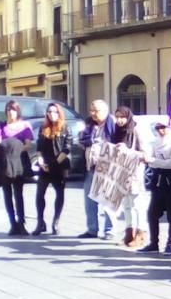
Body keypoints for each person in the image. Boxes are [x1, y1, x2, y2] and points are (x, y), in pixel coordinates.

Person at [139, 121, 171, 255]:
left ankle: (170, 244)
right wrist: (156, 162)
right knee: (152, 213)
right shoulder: (154, 142)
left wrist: (154, 161)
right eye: (158, 128)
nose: (160, 130)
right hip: (159, 180)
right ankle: (154, 243)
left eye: (163, 127)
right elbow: (150, 160)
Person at [0, 100, 34, 235]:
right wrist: (0, 148)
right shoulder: (0, 127)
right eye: (9, 110)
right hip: (4, 164)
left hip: (18, 162)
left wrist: (15, 149)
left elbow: (28, 145)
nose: (11, 112)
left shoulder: (25, 126)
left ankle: (21, 223)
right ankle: (12, 223)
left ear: (18, 111)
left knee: (18, 193)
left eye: (13, 110)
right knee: (7, 194)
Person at [111, 106, 148, 248]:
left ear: (128, 117)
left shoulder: (136, 130)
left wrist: (128, 151)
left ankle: (141, 233)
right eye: (117, 117)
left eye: (122, 117)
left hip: (134, 172)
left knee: (136, 204)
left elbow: (145, 154)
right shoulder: (116, 131)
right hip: (120, 171)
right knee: (126, 204)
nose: (120, 120)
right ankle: (128, 232)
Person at [78, 99, 116, 239]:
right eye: (91, 110)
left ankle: (109, 230)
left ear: (105, 111)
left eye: (96, 111)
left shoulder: (113, 125)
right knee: (89, 200)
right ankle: (92, 229)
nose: (93, 113)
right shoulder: (89, 125)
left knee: (107, 200)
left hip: (108, 167)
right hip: (91, 166)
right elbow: (82, 141)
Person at [33, 102, 72, 236]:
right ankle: (40, 223)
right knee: (40, 194)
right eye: (49, 112)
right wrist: (41, 161)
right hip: (44, 165)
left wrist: (54, 164)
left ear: (59, 113)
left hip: (59, 165)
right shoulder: (43, 128)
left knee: (59, 193)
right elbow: (38, 147)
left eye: (55, 112)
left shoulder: (65, 128)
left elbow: (67, 148)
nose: (52, 114)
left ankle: (55, 223)